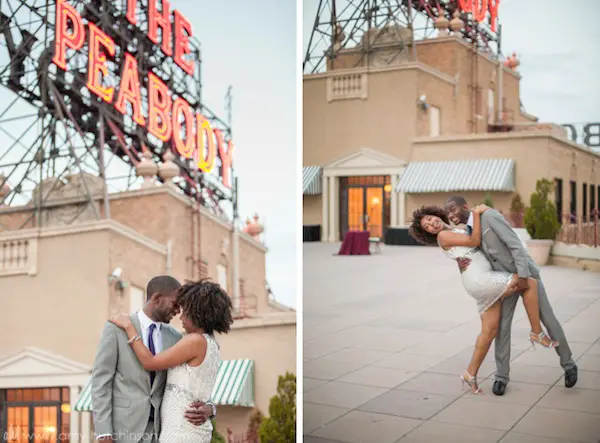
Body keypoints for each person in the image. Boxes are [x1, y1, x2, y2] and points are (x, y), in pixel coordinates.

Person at [409, 204, 559, 394]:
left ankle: (470, 373)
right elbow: (474, 240)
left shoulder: (455, 229)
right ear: (428, 233)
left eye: (429, 219)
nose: (432, 224)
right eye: (427, 227)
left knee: (489, 331)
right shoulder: (443, 236)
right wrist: (475, 212)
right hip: (480, 280)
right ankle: (536, 332)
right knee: (529, 282)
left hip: (477, 280)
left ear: (434, 214)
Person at [444, 196, 578, 395]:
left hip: (525, 275)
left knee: (548, 320)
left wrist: (523, 276)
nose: (450, 215)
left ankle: (568, 364)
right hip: (503, 282)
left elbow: (515, 245)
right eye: (447, 213)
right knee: (502, 328)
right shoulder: (470, 230)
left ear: (465, 206)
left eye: (453, 209)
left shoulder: (489, 216)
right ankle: (501, 376)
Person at [91, 276, 217, 443]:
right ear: (157, 298)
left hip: (160, 433)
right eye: (175, 304)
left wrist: (211, 407)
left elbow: (191, 381)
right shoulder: (117, 329)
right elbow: (101, 383)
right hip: (122, 431)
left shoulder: (176, 337)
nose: (178, 311)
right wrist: (103, 433)